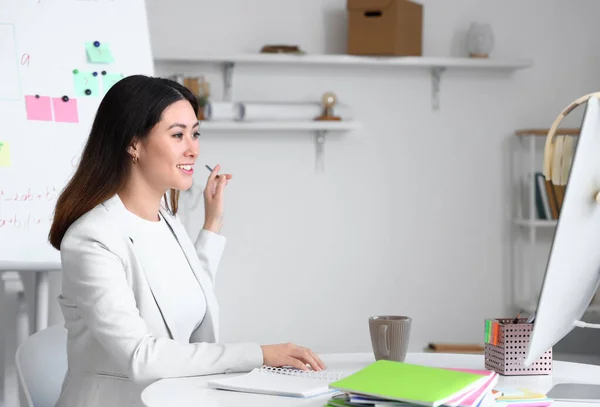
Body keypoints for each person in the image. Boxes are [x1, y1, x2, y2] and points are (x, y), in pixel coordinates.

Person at [48, 75, 325, 407]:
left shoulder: (167, 219)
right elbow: (141, 356)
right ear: (133, 143)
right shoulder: (91, 239)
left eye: (195, 134)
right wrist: (260, 354)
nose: (193, 148)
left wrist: (212, 225)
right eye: (178, 135)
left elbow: (186, 297)